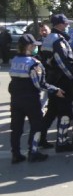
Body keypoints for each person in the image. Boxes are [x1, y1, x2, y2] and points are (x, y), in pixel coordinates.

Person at [9, 34, 65, 163]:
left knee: (16, 128)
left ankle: (15, 154)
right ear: (29, 47)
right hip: (30, 99)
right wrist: (55, 90)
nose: (36, 48)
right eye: (34, 46)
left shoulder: (14, 60)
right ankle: (33, 152)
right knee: (36, 125)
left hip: (16, 99)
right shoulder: (34, 64)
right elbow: (40, 84)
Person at [39, 14, 73, 153]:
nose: (67, 25)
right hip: (62, 80)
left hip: (52, 79)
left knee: (52, 111)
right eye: (65, 23)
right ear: (59, 24)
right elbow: (62, 62)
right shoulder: (57, 40)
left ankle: (40, 138)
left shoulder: (49, 38)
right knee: (65, 111)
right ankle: (62, 143)